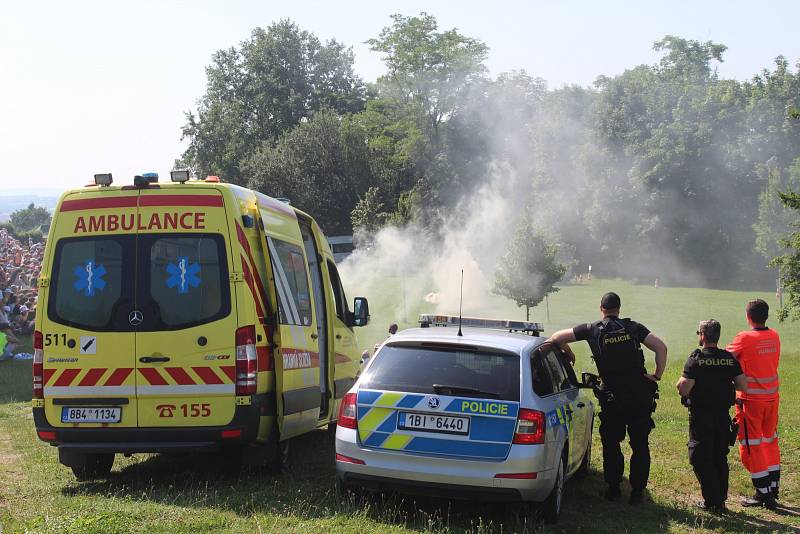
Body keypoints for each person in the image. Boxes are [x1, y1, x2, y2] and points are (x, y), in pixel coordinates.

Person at [545, 292, 668, 504]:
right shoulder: (633, 327)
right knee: (640, 445)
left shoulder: (592, 329)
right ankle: (637, 493)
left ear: (601, 308)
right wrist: (657, 375)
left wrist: (569, 353)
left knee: (612, 444)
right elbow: (661, 347)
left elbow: (555, 338)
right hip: (639, 396)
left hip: (613, 397)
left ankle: (613, 489)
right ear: (619, 308)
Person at [676, 320, 747, 514]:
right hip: (722, 417)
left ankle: (712, 501)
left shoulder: (696, 359)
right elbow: (743, 385)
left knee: (699, 457)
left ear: (703, 336)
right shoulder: (728, 358)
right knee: (719, 457)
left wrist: (682, 384)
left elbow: (684, 389)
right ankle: (720, 500)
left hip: (701, 417)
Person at [726, 299, 781, 509]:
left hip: (751, 400)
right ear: (766, 316)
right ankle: (773, 487)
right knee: (770, 441)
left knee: (751, 445)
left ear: (748, 317)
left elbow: (725, 355)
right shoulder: (774, 335)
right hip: (772, 398)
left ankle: (762, 493)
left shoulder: (745, 337)